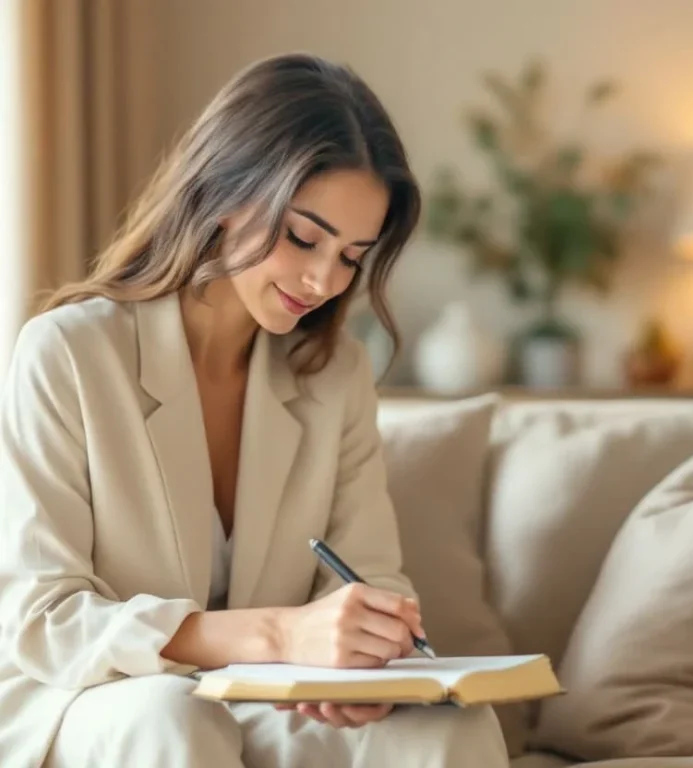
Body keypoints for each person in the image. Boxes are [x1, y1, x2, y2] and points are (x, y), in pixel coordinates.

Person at [0, 53, 508, 768]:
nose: (324, 280)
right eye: (304, 236)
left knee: (454, 729)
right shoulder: (68, 353)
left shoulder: (335, 374)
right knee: (172, 719)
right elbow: (38, 622)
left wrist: (365, 656)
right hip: (91, 699)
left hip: (260, 700)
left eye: (351, 257)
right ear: (224, 191)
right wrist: (276, 636)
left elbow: (367, 578)